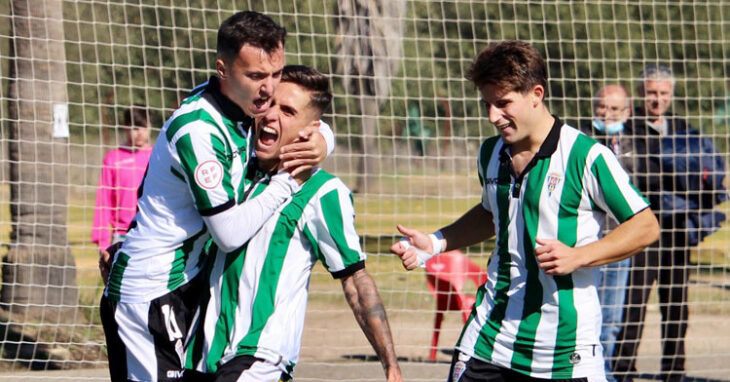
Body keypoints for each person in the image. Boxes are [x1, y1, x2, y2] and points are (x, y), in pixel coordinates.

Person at [390, 40, 660, 382]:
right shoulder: (491, 153)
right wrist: (437, 241)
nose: (493, 116)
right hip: (488, 337)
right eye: (486, 104)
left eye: (503, 103)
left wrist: (580, 256)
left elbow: (646, 226)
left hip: (564, 350)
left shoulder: (586, 156)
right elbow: (493, 212)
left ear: (536, 93)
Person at [99, 11, 336, 382]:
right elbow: (228, 233)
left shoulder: (242, 106)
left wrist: (323, 139)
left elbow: (306, 108)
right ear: (223, 70)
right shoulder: (198, 130)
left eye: (275, 74)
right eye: (256, 76)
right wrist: (289, 180)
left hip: (188, 285)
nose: (269, 88)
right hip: (149, 292)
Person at [184, 65, 402, 382]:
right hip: (199, 356)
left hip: (260, 360)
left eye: (287, 111)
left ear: (310, 130)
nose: (271, 115)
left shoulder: (322, 192)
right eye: (270, 103)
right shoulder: (232, 170)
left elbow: (355, 281)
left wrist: (391, 365)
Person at [612, 65, 727, 382]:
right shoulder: (626, 128)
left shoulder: (683, 130)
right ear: (640, 93)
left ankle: (674, 369)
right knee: (632, 301)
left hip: (676, 230)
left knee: (676, 301)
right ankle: (622, 369)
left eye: (663, 93)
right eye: (651, 92)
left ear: (671, 95)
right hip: (637, 229)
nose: (657, 99)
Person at [580, 85, 633, 382]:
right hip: (586, 242)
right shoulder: (581, 141)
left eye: (614, 109)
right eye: (602, 107)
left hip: (618, 241)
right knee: (582, 314)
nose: (607, 114)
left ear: (625, 112)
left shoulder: (635, 142)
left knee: (611, 318)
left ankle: (604, 374)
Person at [92, 106, 153, 253]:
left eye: (144, 127)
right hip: (122, 235)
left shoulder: (157, 156)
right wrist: (102, 241)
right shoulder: (113, 158)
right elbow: (104, 200)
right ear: (125, 127)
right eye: (135, 128)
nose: (140, 133)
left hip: (153, 232)